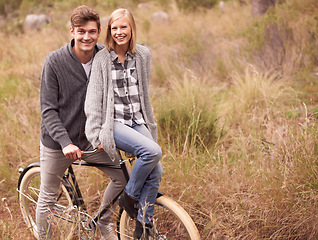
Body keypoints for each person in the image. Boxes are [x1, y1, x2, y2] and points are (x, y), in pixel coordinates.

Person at [37, 5, 126, 240]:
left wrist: (103, 135)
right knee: (47, 198)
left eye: (92, 31)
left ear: (99, 32)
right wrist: (66, 143)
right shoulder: (54, 61)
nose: (86, 37)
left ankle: (103, 223)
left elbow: (113, 100)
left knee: (123, 176)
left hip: (92, 141)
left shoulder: (105, 57)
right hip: (58, 144)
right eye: (81, 31)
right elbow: (48, 110)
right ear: (72, 31)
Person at [84, 8, 163, 239]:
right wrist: (96, 135)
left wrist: (148, 124)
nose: (119, 32)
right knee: (153, 152)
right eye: (114, 28)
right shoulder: (101, 59)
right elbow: (93, 101)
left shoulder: (143, 55)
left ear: (132, 29)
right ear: (109, 31)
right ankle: (129, 196)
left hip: (137, 120)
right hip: (114, 123)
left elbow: (143, 94)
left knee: (156, 170)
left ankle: (143, 226)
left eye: (123, 27)